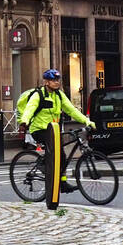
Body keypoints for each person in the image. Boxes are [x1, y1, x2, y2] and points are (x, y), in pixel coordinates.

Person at [18, 69, 95, 210]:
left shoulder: (59, 95)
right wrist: (24, 122)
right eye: (54, 80)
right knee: (56, 154)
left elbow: (71, 110)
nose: (57, 82)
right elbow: (30, 109)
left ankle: (63, 182)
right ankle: (44, 167)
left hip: (54, 130)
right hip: (39, 130)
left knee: (63, 156)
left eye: (58, 80)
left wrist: (87, 121)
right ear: (46, 82)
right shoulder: (38, 95)